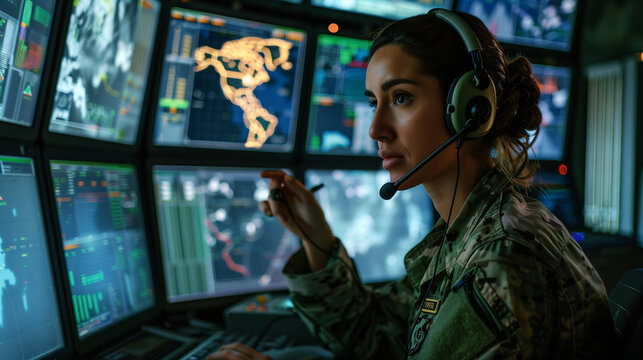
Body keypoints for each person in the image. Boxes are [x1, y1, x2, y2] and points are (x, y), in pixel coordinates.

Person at [208, 9, 615, 360]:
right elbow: (376, 336)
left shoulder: (501, 259)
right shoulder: (464, 233)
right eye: (373, 102)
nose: (375, 129)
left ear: (470, 109)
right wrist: (315, 235)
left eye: (400, 98)